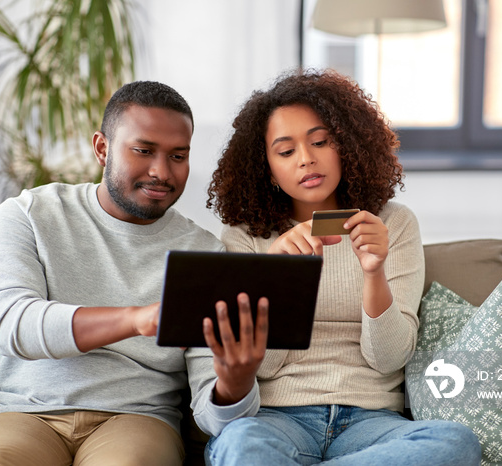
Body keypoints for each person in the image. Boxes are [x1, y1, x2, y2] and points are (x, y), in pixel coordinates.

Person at [0, 81, 267, 466]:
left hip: (137, 419)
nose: (161, 172)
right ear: (102, 148)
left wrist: (235, 384)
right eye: (144, 151)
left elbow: (214, 416)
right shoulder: (28, 215)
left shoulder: (204, 251)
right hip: (24, 414)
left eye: (178, 156)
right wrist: (136, 319)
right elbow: (11, 323)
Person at [204, 69, 481, 465]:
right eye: (286, 151)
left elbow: (388, 359)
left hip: (370, 423)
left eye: (320, 141)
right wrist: (278, 279)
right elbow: (260, 366)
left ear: (348, 146)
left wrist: (374, 272)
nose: (306, 159)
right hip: (277, 419)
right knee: (240, 444)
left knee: (456, 443)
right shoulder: (244, 236)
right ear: (266, 167)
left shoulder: (393, 223)